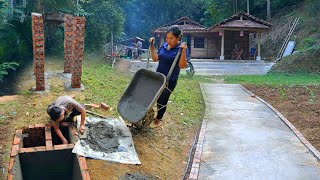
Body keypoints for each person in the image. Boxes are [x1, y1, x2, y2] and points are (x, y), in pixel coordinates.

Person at [149, 25, 189, 126]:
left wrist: (183, 51)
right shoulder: (164, 45)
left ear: (178, 37)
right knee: (153, 96)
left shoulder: (181, 49)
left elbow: (182, 66)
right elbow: (155, 58)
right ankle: (148, 113)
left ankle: (158, 118)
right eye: (167, 38)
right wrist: (152, 45)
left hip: (169, 80)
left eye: (171, 38)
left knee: (162, 100)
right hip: (159, 77)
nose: (168, 40)